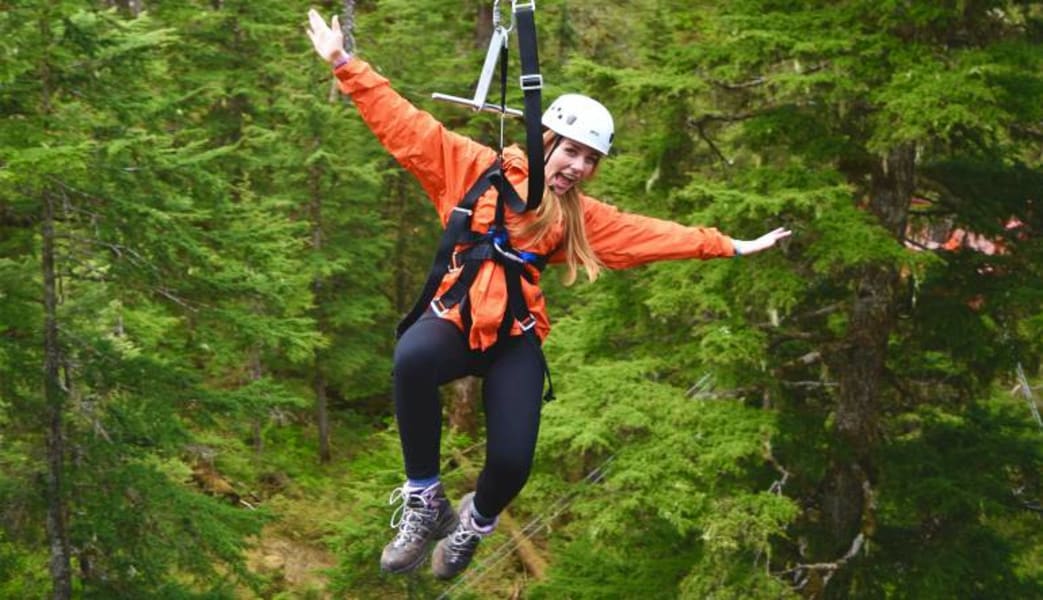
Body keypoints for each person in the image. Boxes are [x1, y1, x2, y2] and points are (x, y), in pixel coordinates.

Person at [306, 9, 791, 580]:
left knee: (512, 462)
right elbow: (406, 126)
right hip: (457, 320)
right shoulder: (471, 168)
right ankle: (424, 499)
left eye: (590, 160)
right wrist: (344, 63)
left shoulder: (577, 217)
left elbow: (650, 234)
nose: (578, 167)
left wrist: (729, 244)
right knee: (411, 358)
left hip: (513, 336)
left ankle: (472, 525)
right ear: (546, 140)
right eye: (571, 152)